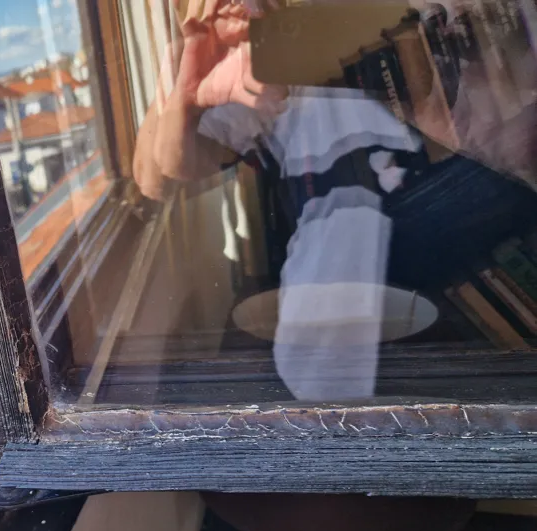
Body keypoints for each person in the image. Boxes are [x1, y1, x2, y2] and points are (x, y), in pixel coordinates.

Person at [134, 0, 537, 400]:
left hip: (465, 244)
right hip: (374, 282)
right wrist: (183, 100)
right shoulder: (256, 48)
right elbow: (157, 179)